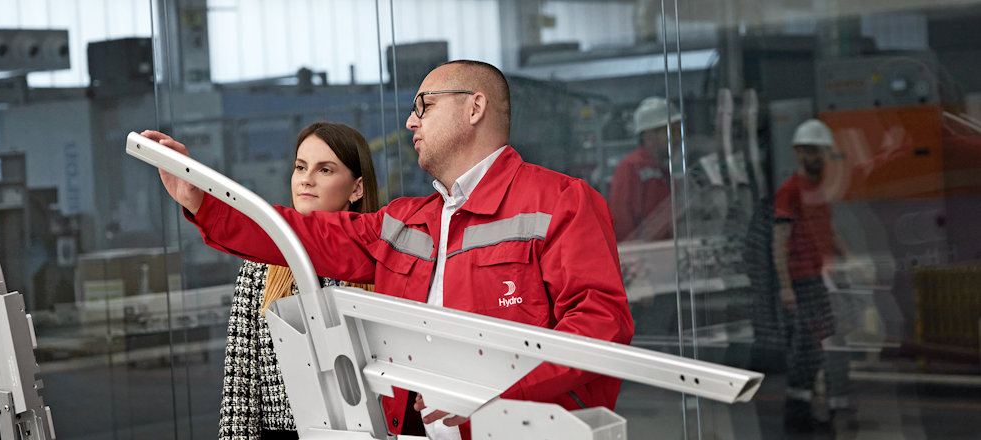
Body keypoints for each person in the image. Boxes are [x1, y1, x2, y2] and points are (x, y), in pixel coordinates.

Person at [143, 60, 633, 440]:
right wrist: (201, 198)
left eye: (424, 105)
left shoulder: (561, 202)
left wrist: (493, 393)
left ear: (474, 108)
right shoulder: (404, 220)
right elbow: (300, 236)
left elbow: (599, 329)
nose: (410, 120)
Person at [217, 122, 379, 440]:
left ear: (357, 188)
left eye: (325, 170)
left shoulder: (384, 266)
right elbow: (239, 388)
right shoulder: (260, 267)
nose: (306, 179)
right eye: (301, 167)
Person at [772, 119, 851, 433]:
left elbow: (828, 230)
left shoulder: (817, 189)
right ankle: (797, 419)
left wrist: (850, 261)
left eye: (824, 152)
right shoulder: (790, 191)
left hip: (819, 280)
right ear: (800, 153)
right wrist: (786, 287)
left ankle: (815, 409)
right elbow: (779, 241)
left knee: (821, 344)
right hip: (802, 282)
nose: (822, 158)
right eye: (816, 152)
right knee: (806, 350)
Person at [608, 96, 681, 242]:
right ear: (649, 135)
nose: (677, 138)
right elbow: (621, 222)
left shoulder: (663, 171)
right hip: (644, 257)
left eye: (677, 131)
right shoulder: (630, 168)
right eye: (671, 132)